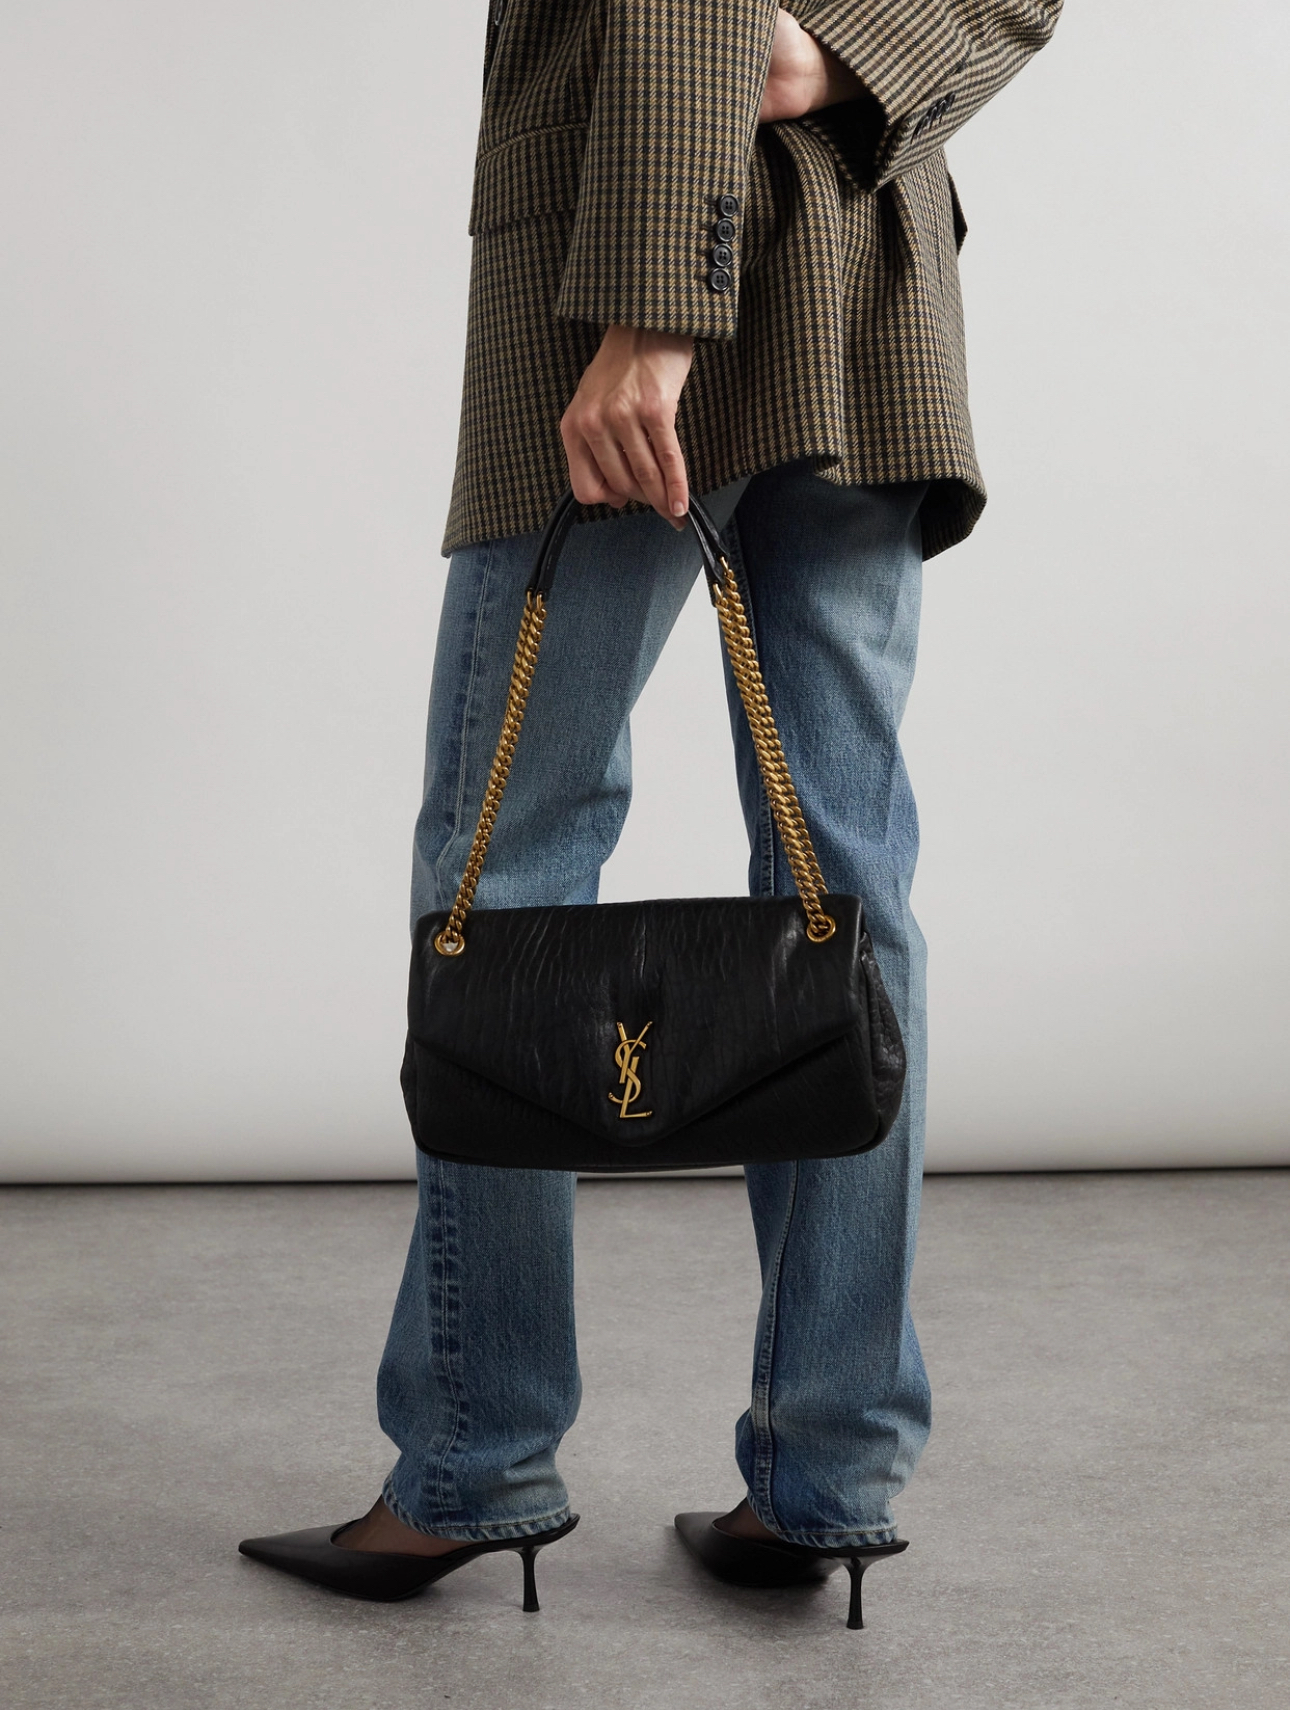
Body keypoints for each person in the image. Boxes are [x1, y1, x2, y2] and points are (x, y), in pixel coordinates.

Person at [240, 0, 1062, 1622]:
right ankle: (831, 1475)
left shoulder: (656, 311)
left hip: (652, 281)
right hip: (868, 289)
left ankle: (475, 1457)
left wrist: (657, 314)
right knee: (844, 892)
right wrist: (854, 51)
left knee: (505, 869)